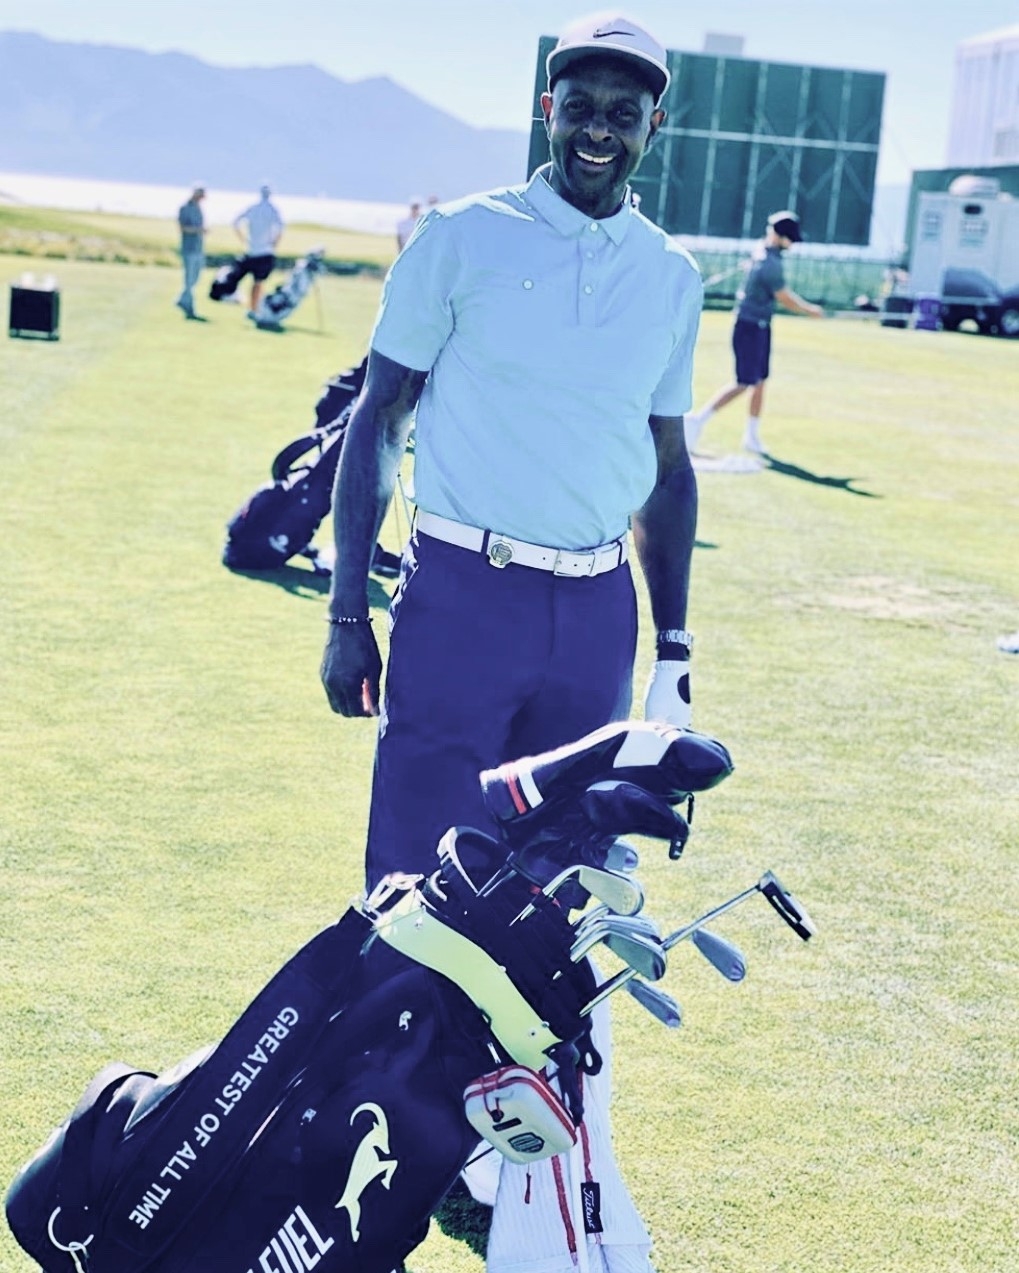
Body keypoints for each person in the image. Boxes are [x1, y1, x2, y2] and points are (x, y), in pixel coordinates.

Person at [321, 12, 701, 1272]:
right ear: (550, 111)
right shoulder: (463, 236)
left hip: (597, 612)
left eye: (624, 107)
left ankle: (500, 1158)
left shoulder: (671, 272)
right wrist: (344, 607)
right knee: (418, 879)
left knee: (561, 887)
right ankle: (374, 1127)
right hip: (459, 595)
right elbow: (379, 412)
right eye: (577, 100)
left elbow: (666, 461)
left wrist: (676, 643)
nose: (599, 123)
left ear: (656, 125)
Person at [684, 209, 824, 456]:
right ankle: (697, 421)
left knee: (760, 382)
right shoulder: (769, 263)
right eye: (790, 239)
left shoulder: (766, 253)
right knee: (744, 382)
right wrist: (810, 310)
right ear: (780, 236)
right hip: (749, 327)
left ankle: (751, 435)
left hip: (760, 326)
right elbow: (784, 297)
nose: (792, 244)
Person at [232, 184, 284, 318]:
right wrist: (274, 243)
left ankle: (256, 307)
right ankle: (254, 309)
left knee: (258, 282)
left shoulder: (253, 208)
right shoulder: (272, 210)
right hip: (265, 251)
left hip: (252, 250)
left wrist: (243, 239)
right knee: (258, 282)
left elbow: (236, 222)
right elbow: (280, 228)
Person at [175, 184, 206, 319]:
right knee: (189, 278)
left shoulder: (199, 208)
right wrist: (198, 230)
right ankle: (188, 305)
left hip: (198, 247)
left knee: (195, 277)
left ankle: (182, 299)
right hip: (189, 247)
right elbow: (182, 228)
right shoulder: (185, 208)